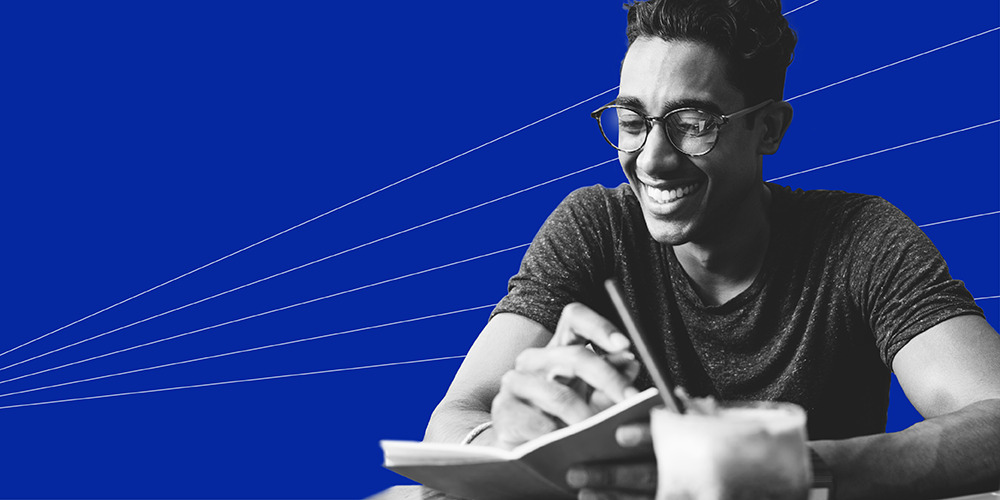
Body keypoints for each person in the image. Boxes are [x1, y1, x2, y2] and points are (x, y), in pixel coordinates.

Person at [423, 0, 1000, 498]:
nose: (650, 159)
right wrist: (505, 442)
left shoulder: (861, 239)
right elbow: (451, 422)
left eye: (692, 122)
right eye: (632, 120)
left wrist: (789, 471)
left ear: (769, 130)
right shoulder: (594, 227)